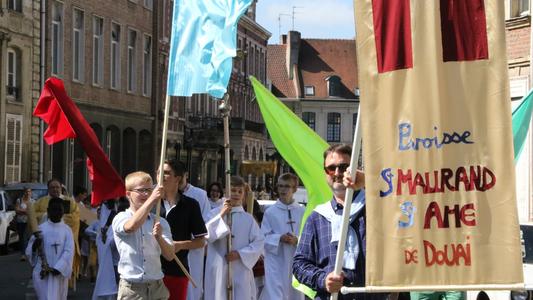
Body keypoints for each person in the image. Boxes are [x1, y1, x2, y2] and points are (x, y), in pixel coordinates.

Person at [292, 144, 387, 300]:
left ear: (355, 168)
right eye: (331, 168)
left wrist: (369, 181)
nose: (337, 173)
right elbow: (299, 264)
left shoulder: (378, 207)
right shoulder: (317, 217)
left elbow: (404, 200)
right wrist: (323, 280)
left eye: (343, 167)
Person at [112, 171, 175, 300]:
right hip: (132, 289)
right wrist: (152, 200)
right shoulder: (121, 218)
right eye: (141, 190)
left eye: (149, 190)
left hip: (157, 287)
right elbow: (131, 227)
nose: (146, 194)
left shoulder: (160, 222)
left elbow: (169, 255)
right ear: (128, 194)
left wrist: (159, 238)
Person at [204, 175, 265, 300]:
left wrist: (240, 254)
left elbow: (258, 243)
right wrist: (222, 214)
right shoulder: (213, 214)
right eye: (233, 190)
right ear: (226, 191)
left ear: (244, 194)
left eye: (239, 191)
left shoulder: (249, 219)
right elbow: (207, 235)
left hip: (240, 269)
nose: (236, 194)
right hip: (218, 268)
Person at [158, 159, 207, 300]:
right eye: (158, 172)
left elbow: (201, 241)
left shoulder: (191, 205)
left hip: (177, 271)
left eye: (166, 173)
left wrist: (179, 245)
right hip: (150, 272)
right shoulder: (150, 203)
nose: (160, 176)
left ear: (177, 178)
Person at [260, 173, 305, 300]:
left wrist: (297, 240)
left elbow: (309, 237)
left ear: (295, 189)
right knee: (275, 293)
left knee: (295, 292)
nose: (283, 190)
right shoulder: (270, 212)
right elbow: (262, 237)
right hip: (276, 260)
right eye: (280, 186)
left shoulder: (302, 211)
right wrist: (279, 238)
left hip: (296, 258)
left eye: (287, 186)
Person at [31, 179, 81, 287]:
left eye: (57, 187)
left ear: (61, 188)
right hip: (47, 237)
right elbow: (33, 217)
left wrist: (60, 217)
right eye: (52, 187)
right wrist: (47, 215)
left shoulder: (69, 202)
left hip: (63, 237)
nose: (55, 189)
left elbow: (76, 217)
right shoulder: (41, 202)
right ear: (48, 189)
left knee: (65, 258)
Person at [26, 197, 75, 300]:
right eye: (54, 209)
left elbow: (69, 251)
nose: (57, 213)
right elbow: (30, 251)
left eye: (60, 210)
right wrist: (35, 245)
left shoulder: (67, 231)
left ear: (63, 211)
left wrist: (59, 267)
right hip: (43, 274)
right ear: (48, 211)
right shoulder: (40, 229)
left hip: (59, 274)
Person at [178, 168, 211, 300]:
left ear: (186, 175)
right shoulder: (161, 192)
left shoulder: (200, 195)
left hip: (192, 248)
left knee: (192, 286)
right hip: (171, 249)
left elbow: (206, 221)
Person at [15, 187, 33, 261]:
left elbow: (32, 211)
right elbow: (17, 210)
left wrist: (22, 211)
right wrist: (26, 211)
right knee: (21, 238)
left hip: (29, 222)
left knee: (26, 237)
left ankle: (24, 254)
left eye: (29, 192)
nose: (28, 193)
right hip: (20, 222)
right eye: (26, 192)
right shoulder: (19, 200)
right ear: (24, 192)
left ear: (31, 193)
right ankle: (23, 253)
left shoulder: (33, 201)